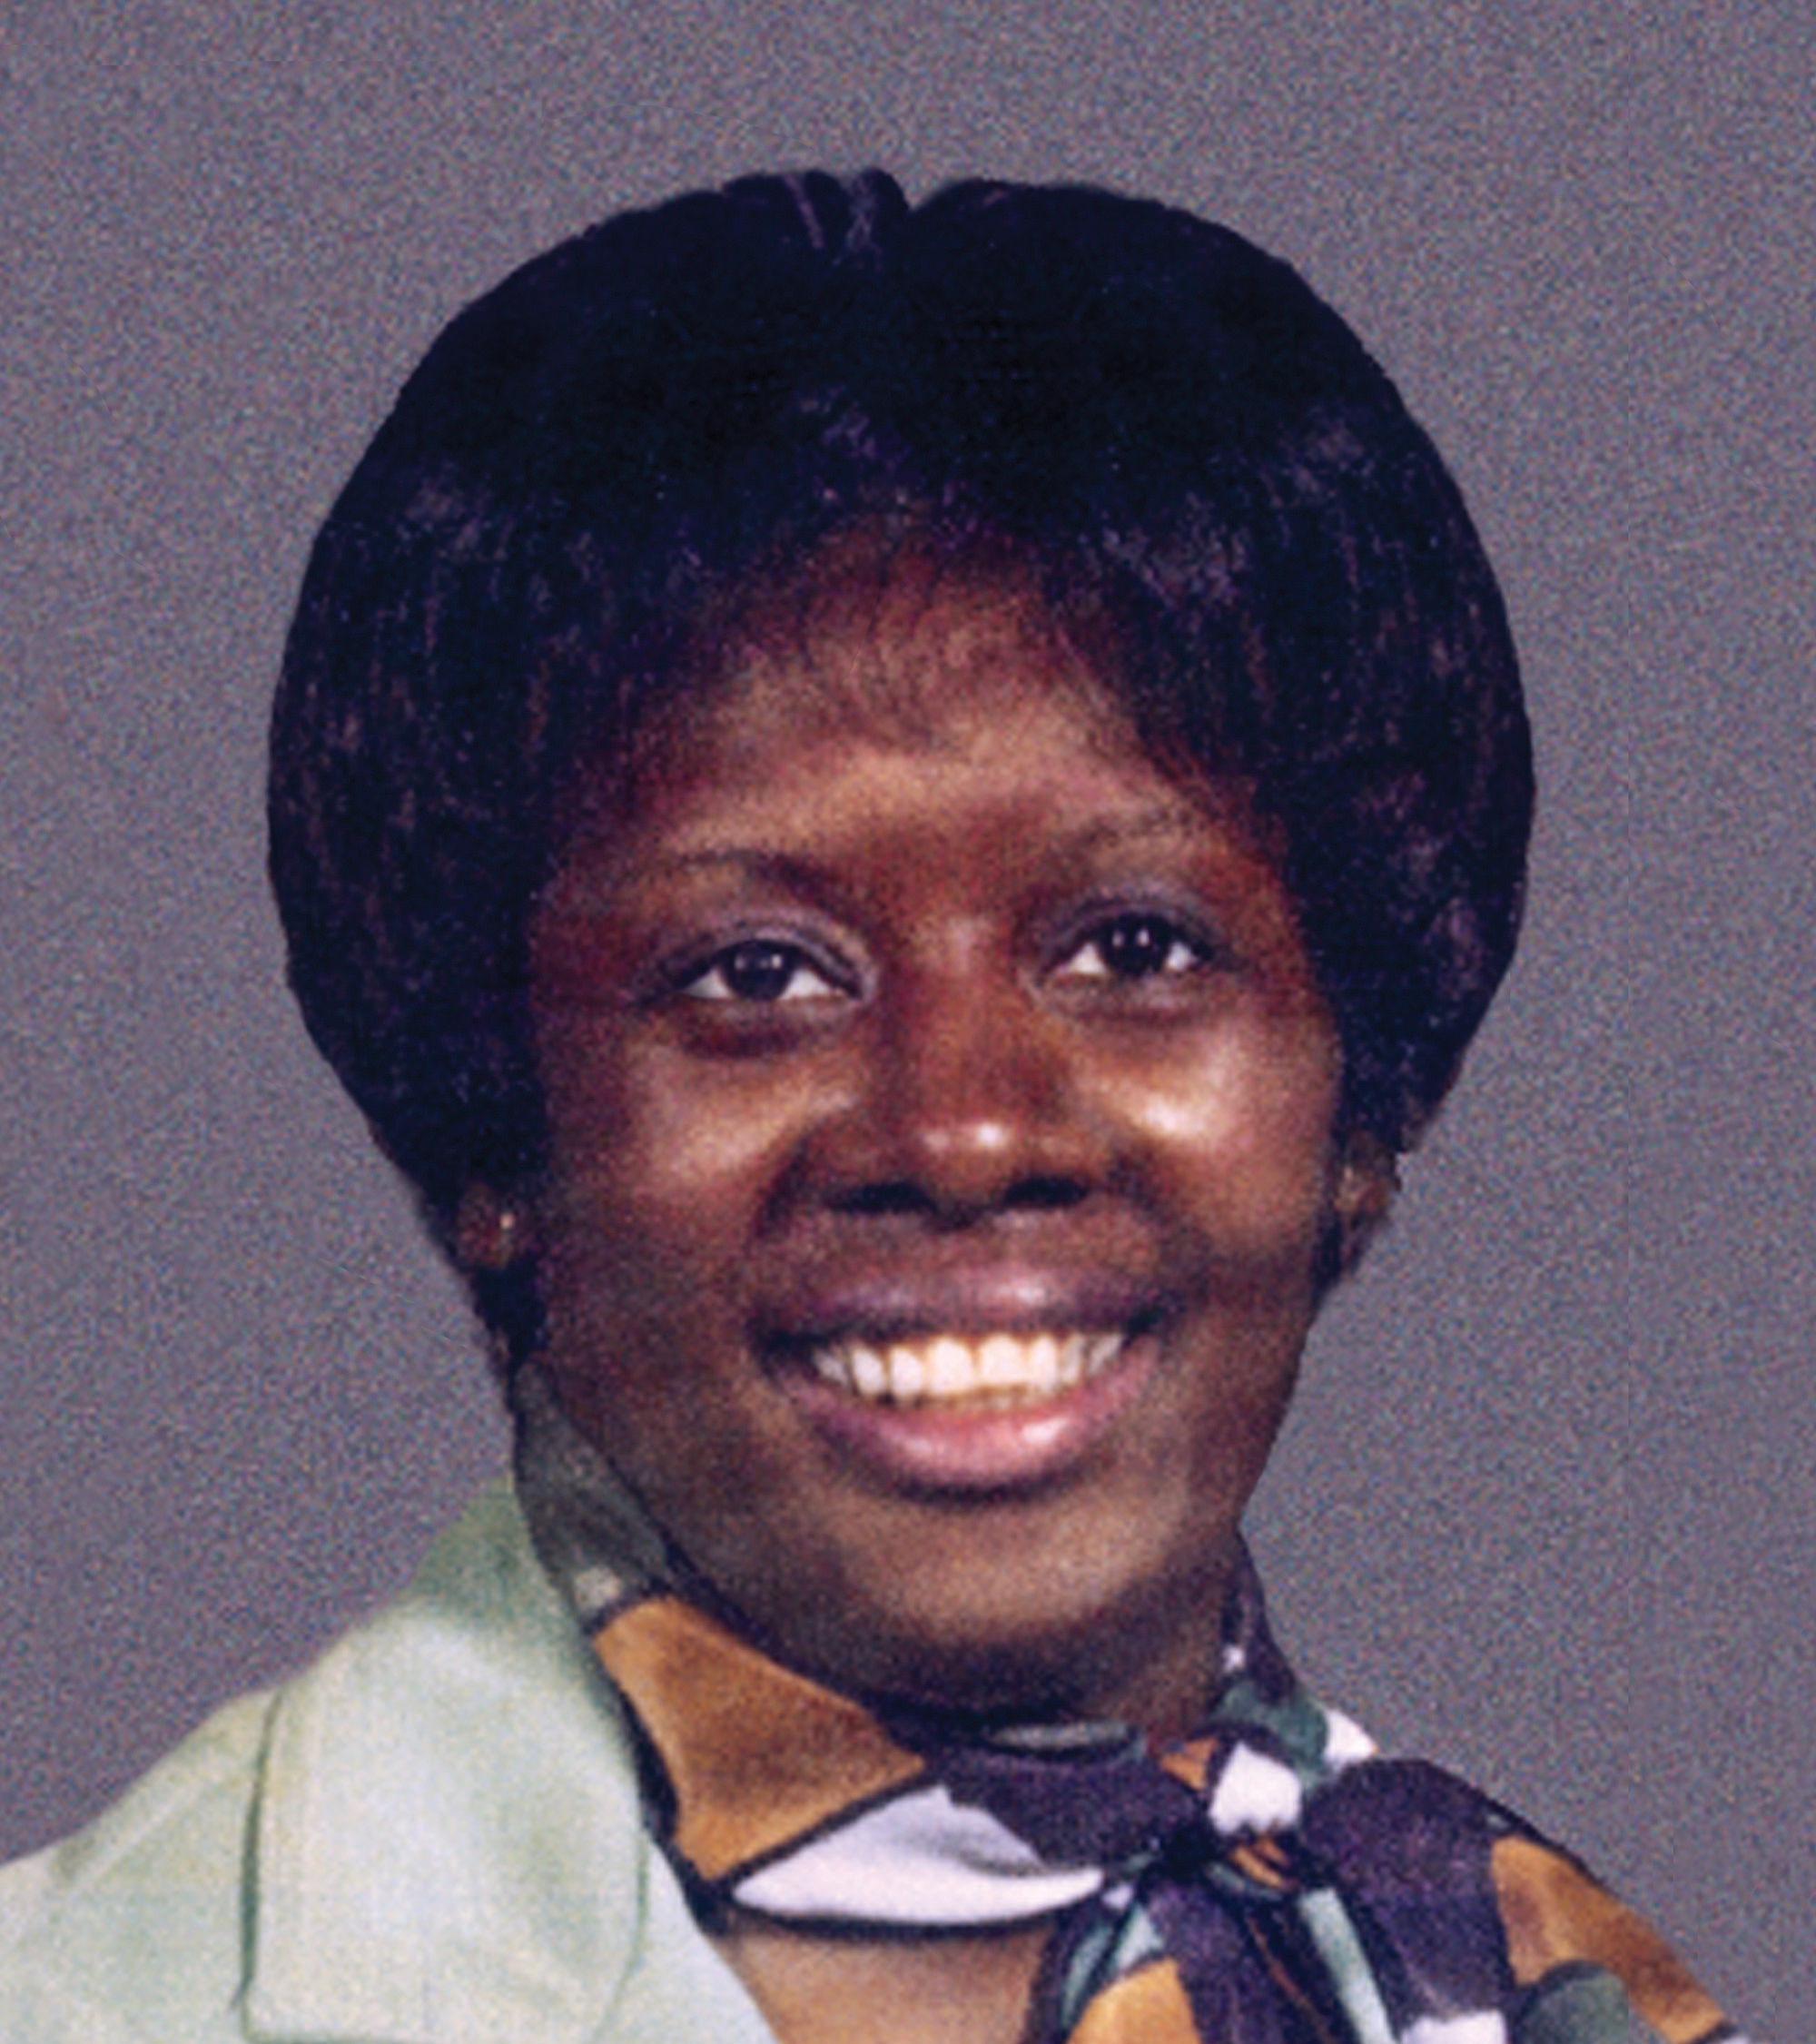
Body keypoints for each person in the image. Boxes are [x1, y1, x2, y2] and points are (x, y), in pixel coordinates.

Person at [0, 172, 1744, 2043]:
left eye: (1135, 947)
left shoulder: (1534, 1983)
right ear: (497, 1132)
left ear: (1357, 1115)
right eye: (758, 976)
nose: (965, 1132)